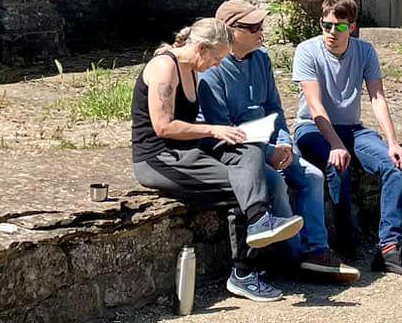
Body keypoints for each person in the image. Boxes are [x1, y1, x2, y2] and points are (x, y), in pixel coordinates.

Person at [130, 17, 304, 303]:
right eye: (216, 58)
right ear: (200, 49)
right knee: (241, 187)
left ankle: (260, 221)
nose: (217, 65)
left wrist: (234, 135)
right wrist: (212, 129)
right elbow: (163, 126)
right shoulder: (164, 67)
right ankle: (245, 274)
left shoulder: (192, 69)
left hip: (187, 151)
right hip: (158, 159)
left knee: (249, 150)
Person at [198, 0, 361, 283]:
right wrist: (270, 152)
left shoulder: (261, 59)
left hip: (271, 142)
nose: (262, 31)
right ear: (230, 30)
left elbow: (274, 107)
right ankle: (293, 259)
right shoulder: (212, 70)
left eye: (261, 25)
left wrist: (284, 140)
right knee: (275, 182)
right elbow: (224, 129)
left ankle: (316, 252)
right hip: (238, 150)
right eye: (253, 27)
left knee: (311, 176)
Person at [290, 0, 402, 276]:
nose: (331, 33)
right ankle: (345, 239)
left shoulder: (365, 51)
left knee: (394, 166)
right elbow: (314, 105)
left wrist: (392, 142)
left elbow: (377, 97)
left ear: (351, 28)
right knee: (337, 163)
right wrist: (336, 144)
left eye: (339, 27)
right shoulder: (307, 51)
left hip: (352, 128)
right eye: (326, 25)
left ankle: (389, 247)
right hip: (312, 127)